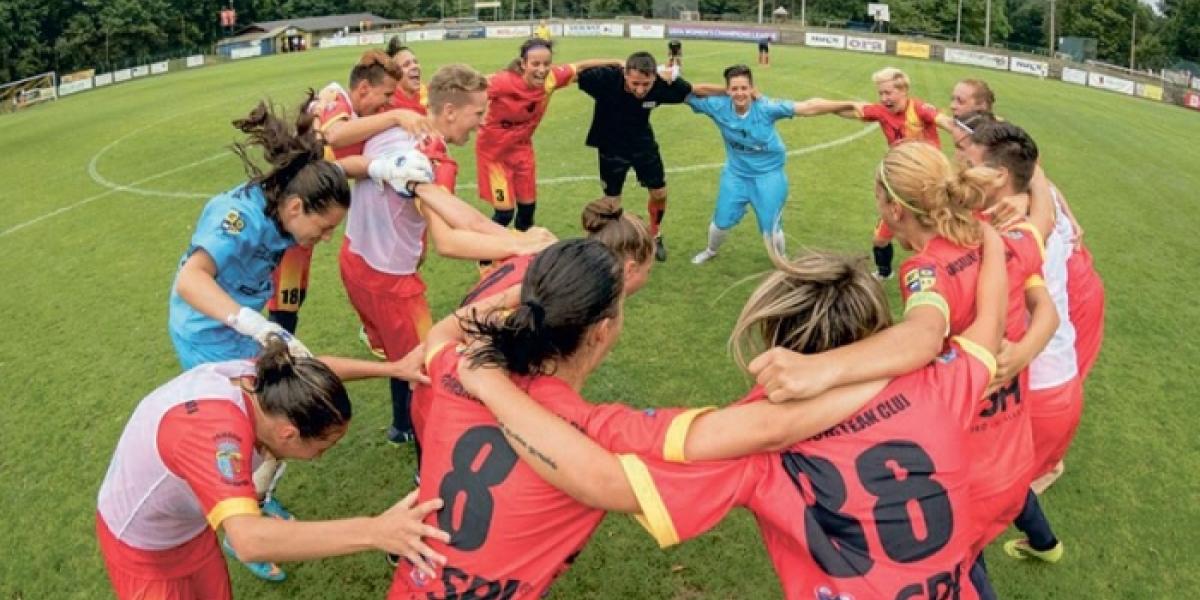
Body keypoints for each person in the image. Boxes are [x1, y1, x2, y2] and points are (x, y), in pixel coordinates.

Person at [454, 237, 1008, 599]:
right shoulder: (942, 380)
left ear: (777, 339)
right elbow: (986, 321)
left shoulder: (756, 453)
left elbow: (604, 474)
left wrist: (493, 385)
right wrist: (994, 243)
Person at [96, 339, 449, 599]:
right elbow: (248, 541)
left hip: (190, 531)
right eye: (322, 448)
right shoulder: (216, 438)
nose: (319, 458)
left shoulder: (268, 383)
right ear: (288, 433)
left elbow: (316, 370)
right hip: (143, 551)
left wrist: (393, 368)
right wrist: (375, 531)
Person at [336, 63, 554, 449]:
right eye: (478, 112)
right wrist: (519, 243)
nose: (483, 122)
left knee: (399, 352)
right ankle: (427, 461)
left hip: (353, 260)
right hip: (391, 283)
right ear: (450, 110)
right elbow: (449, 240)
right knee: (427, 367)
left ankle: (401, 426)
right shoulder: (435, 158)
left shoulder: (398, 122)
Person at [266, 49, 428, 341]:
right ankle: (273, 359)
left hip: (312, 216)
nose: (387, 103)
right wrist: (395, 116)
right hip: (290, 214)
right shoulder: (337, 98)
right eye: (386, 95)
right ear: (363, 88)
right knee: (283, 300)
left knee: (293, 295)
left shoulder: (364, 116)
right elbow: (336, 135)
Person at [684, 65, 855, 264]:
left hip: (769, 176)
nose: (740, 93)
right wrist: (665, 77)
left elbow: (809, 106)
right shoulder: (717, 106)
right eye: (734, 88)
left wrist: (849, 104)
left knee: (771, 229)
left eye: (744, 88)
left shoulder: (766, 108)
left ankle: (783, 262)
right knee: (720, 222)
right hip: (736, 175)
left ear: (752, 88)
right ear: (727, 90)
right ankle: (711, 250)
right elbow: (683, 93)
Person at [475, 39, 619, 230]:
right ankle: (481, 249)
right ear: (523, 63)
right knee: (504, 213)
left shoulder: (551, 79)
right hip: (494, 156)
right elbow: (471, 87)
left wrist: (618, 62)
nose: (541, 70)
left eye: (546, 64)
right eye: (535, 64)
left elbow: (581, 66)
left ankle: (523, 247)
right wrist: (477, 114)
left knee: (527, 211)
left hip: (522, 151)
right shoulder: (503, 81)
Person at [832, 67, 956, 279]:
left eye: (888, 93)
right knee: (880, 240)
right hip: (899, 185)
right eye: (880, 93)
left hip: (928, 184)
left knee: (932, 236)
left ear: (903, 90)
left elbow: (944, 121)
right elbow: (847, 112)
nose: (884, 98)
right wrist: (827, 106)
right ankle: (884, 272)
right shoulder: (882, 112)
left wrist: (970, 132)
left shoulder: (919, 109)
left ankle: (944, 273)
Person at [579, 51, 694, 262]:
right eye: (635, 83)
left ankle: (655, 234)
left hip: (642, 144)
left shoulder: (659, 84)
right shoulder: (606, 79)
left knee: (659, 193)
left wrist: (670, 75)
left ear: (654, 78)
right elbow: (576, 70)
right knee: (611, 201)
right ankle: (614, 243)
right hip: (611, 146)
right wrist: (613, 60)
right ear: (625, 74)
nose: (640, 90)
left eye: (646, 84)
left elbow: (688, 90)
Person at [386, 38, 427, 115]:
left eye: (416, 62)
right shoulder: (391, 105)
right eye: (406, 65)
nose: (415, 66)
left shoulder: (425, 92)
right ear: (395, 74)